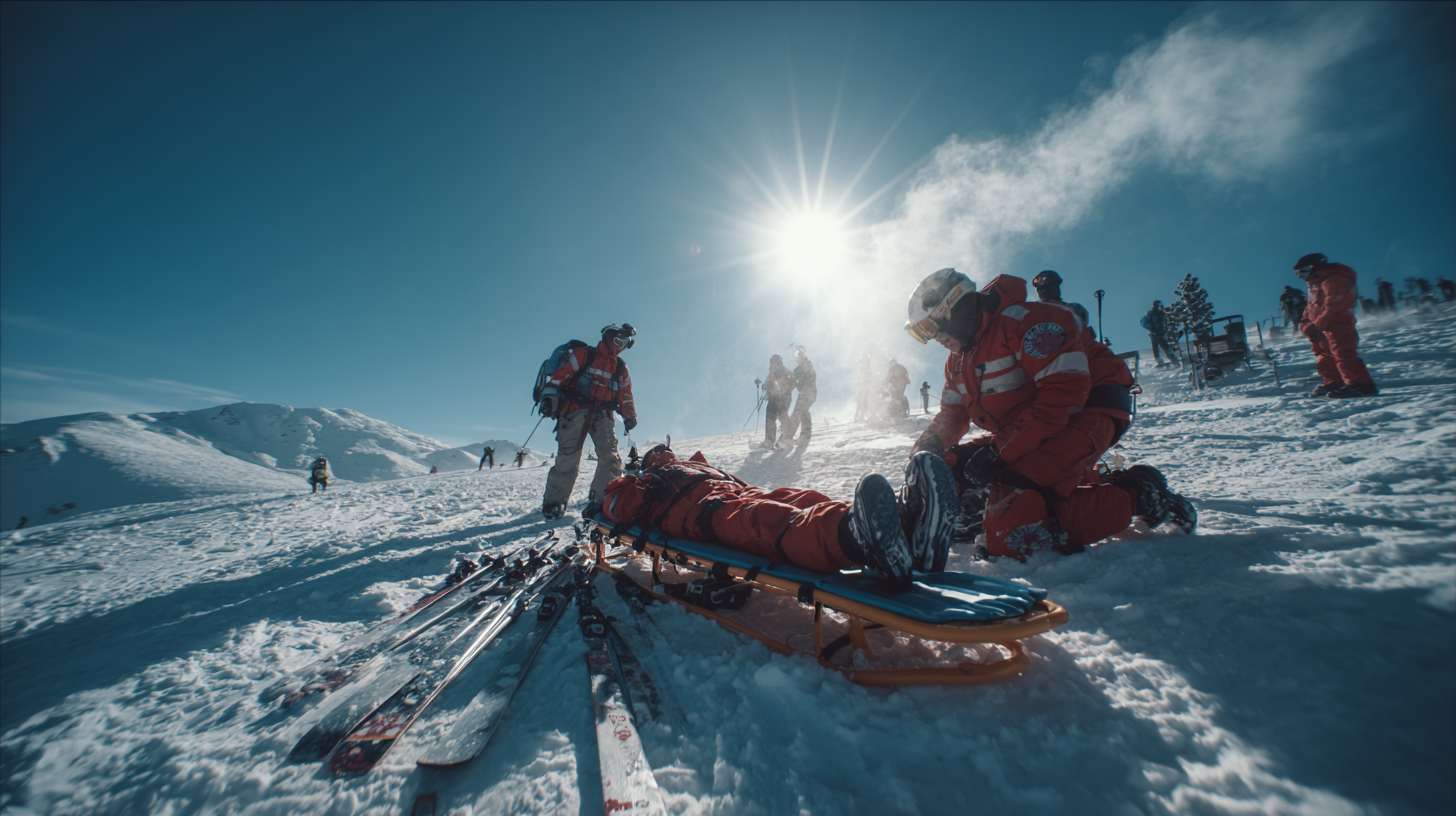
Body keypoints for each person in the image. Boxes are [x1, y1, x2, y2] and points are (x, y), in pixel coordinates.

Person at [904, 268, 1195, 561]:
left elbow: (1063, 395)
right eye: (922, 333)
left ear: (954, 307)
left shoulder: (1028, 322)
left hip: (1086, 412)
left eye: (930, 327)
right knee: (948, 468)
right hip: (1033, 424)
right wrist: (927, 450)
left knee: (1010, 533)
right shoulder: (958, 360)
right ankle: (987, 507)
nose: (933, 338)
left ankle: (1139, 494)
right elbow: (952, 414)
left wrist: (998, 453)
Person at [597, 444, 960, 588]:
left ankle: (905, 530)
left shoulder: (693, 465)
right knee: (765, 520)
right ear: (646, 461)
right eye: (656, 453)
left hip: (736, 492)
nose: (664, 452)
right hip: (701, 514)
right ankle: (855, 537)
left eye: (666, 450)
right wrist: (638, 482)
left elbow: (733, 482)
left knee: (801, 498)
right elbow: (613, 506)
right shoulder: (641, 481)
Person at [538, 323, 639, 519]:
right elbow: (559, 377)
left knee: (611, 458)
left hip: (603, 415)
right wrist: (549, 398)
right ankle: (554, 504)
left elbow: (626, 394)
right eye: (619, 340)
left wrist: (630, 416)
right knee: (569, 457)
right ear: (609, 337)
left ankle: (601, 501)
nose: (620, 346)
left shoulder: (620, 367)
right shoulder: (584, 354)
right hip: (575, 410)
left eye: (625, 343)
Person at [1295, 253, 1379, 399]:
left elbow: (1336, 304)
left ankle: (1361, 384)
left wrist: (1317, 325)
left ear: (1310, 268)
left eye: (1300, 273)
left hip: (1338, 323)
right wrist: (1305, 325)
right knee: (1324, 354)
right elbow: (1310, 308)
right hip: (1321, 326)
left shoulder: (1334, 278)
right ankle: (1334, 381)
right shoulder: (1313, 286)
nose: (1300, 277)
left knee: (1342, 353)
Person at [779, 345, 817, 448]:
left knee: (797, 413)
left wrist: (792, 375)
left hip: (807, 393)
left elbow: (800, 372)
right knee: (803, 412)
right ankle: (804, 436)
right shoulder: (804, 365)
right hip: (808, 393)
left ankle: (788, 437)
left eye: (799, 358)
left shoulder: (806, 365)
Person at [761, 354, 794, 449]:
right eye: (772, 362)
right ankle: (769, 440)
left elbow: (791, 383)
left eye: (775, 361)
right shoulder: (771, 374)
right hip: (773, 398)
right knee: (770, 417)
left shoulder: (784, 371)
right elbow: (768, 385)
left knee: (782, 415)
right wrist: (768, 392)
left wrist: (783, 390)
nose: (773, 364)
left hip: (783, 397)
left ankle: (786, 438)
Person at [1139, 300, 1180, 367]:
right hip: (1159, 333)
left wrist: (1152, 330)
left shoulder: (1151, 314)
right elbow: (1163, 323)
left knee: (1155, 348)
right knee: (1165, 347)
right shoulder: (1160, 314)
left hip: (1153, 334)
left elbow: (1145, 323)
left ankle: (1159, 361)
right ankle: (1174, 360)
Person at [853, 354, 873, 422]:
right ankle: (858, 416)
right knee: (859, 401)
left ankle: (862, 415)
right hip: (862, 386)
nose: (861, 363)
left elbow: (869, 378)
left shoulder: (868, 369)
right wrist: (859, 382)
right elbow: (860, 377)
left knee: (865, 400)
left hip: (866, 386)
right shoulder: (862, 368)